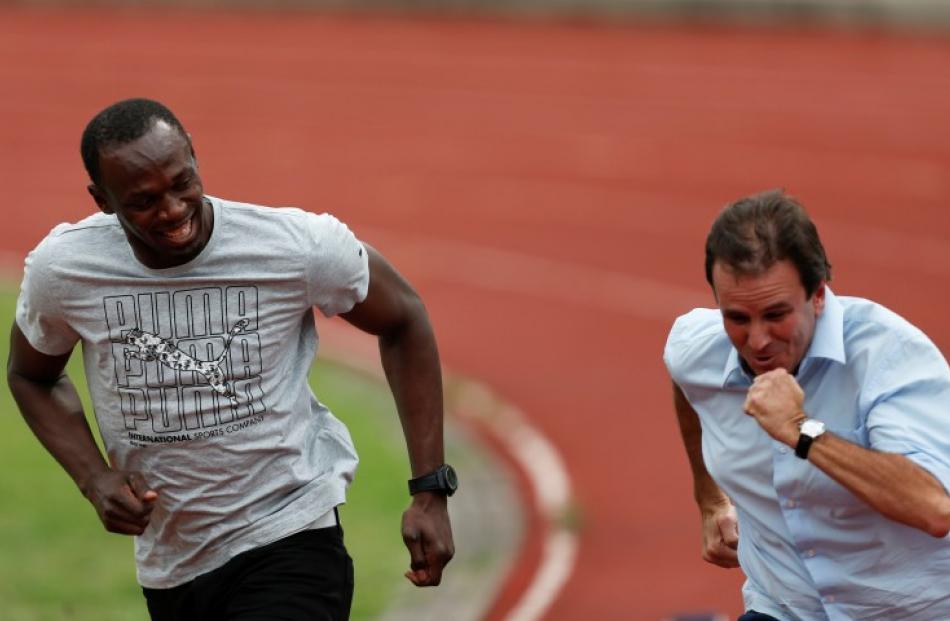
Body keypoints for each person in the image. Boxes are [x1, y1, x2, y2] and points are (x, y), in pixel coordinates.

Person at [7, 98, 457, 620]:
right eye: (143, 201)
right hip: (172, 564)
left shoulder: (293, 247)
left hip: (291, 535)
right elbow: (30, 376)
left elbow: (403, 318)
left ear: (195, 158)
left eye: (181, 183)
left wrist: (431, 490)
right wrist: (93, 477)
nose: (173, 210)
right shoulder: (66, 271)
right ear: (102, 201)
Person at [664, 189, 950, 620]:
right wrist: (709, 497)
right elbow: (682, 374)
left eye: (777, 315)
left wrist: (802, 431)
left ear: (818, 295)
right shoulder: (700, 351)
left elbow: (934, 507)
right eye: (737, 318)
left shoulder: (887, 357)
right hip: (784, 606)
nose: (757, 341)